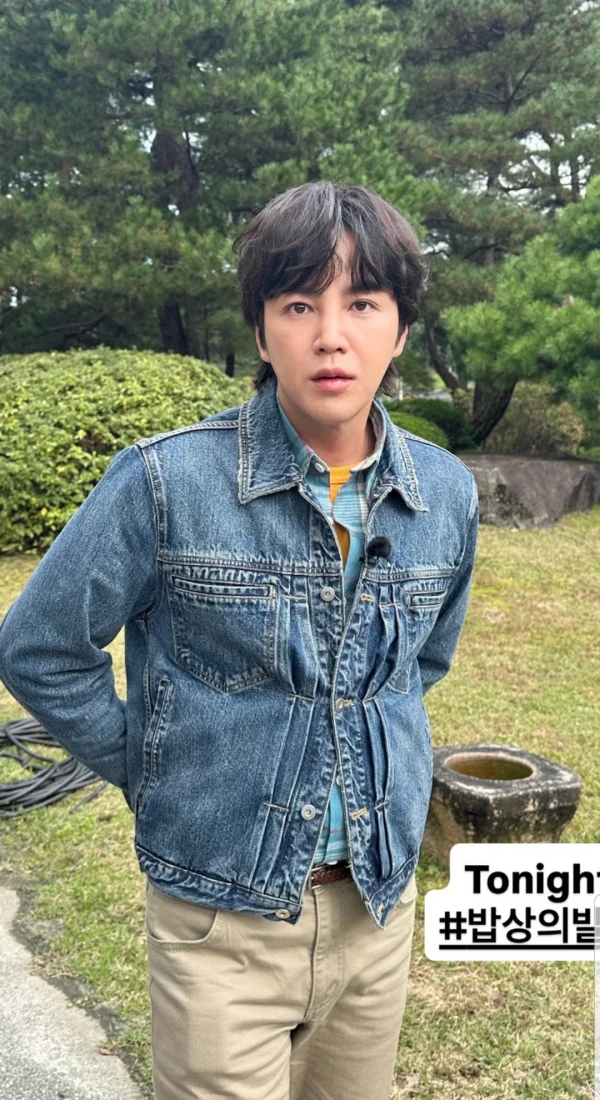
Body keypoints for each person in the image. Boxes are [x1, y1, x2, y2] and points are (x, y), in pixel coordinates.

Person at [0, 182, 479, 1100]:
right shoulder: (165, 483)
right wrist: (149, 764)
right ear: (261, 331)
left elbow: (420, 665)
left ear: (400, 330)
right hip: (218, 924)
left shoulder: (446, 494)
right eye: (298, 305)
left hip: (376, 911)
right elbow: (39, 647)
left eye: (362, 304)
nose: (330, 336)